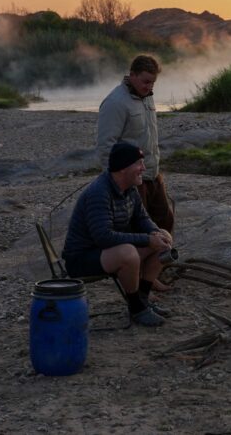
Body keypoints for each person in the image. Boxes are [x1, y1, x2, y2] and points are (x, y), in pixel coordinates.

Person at [62, 142, 174, 327]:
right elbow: (103, 237)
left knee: (163, 238)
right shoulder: (99, 193)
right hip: (82, 259)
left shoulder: (129, 188)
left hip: (106, 252)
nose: (143, 168)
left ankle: (143, 299)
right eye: (139, 163)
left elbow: (142, 218)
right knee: (128, 253)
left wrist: (156, 233)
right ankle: (136, 309)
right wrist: (147, 239)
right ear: (123, 167)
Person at [97, 54, 176, 244]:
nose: (149, 87)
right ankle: (138, 263)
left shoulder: (147, 97)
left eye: (153, 83)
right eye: (146, 81)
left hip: (152, 174)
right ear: (132, 75)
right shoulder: (115, 102)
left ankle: (159, 261)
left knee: (165, 222)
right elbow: (105, 146)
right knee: (136, 230)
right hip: (131, 178)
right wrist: (117, 182)